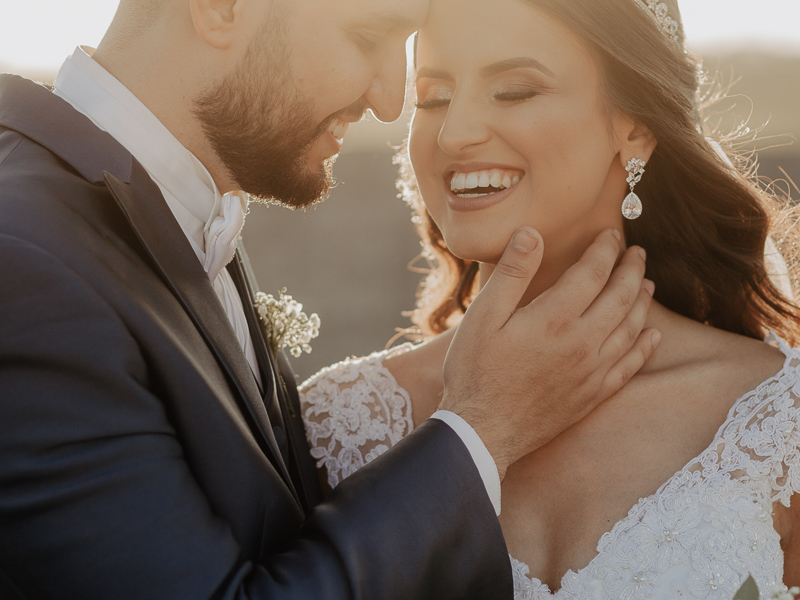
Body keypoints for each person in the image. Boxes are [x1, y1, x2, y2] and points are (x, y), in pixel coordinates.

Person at [0, 0, 662, 597]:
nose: (390, 100)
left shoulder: (179, 224)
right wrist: (482, 428)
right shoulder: (24, 259)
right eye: (368, 36)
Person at [298, 0, 800, 598]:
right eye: (433, 98)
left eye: (514, 91)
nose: (454, 133)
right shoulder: (336, 426)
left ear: (634, 126)